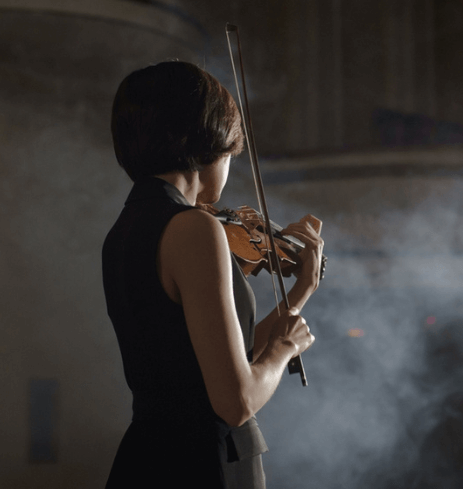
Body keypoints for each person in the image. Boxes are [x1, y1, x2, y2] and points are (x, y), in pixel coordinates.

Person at [102, 60, 324, 488]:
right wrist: (284, 350)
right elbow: (235, 401)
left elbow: (207, 362)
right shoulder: (193, 227)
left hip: (148, 460)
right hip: (201, 468)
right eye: (229, 155)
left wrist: (300, 292)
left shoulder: (125, 228)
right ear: (207, 142)